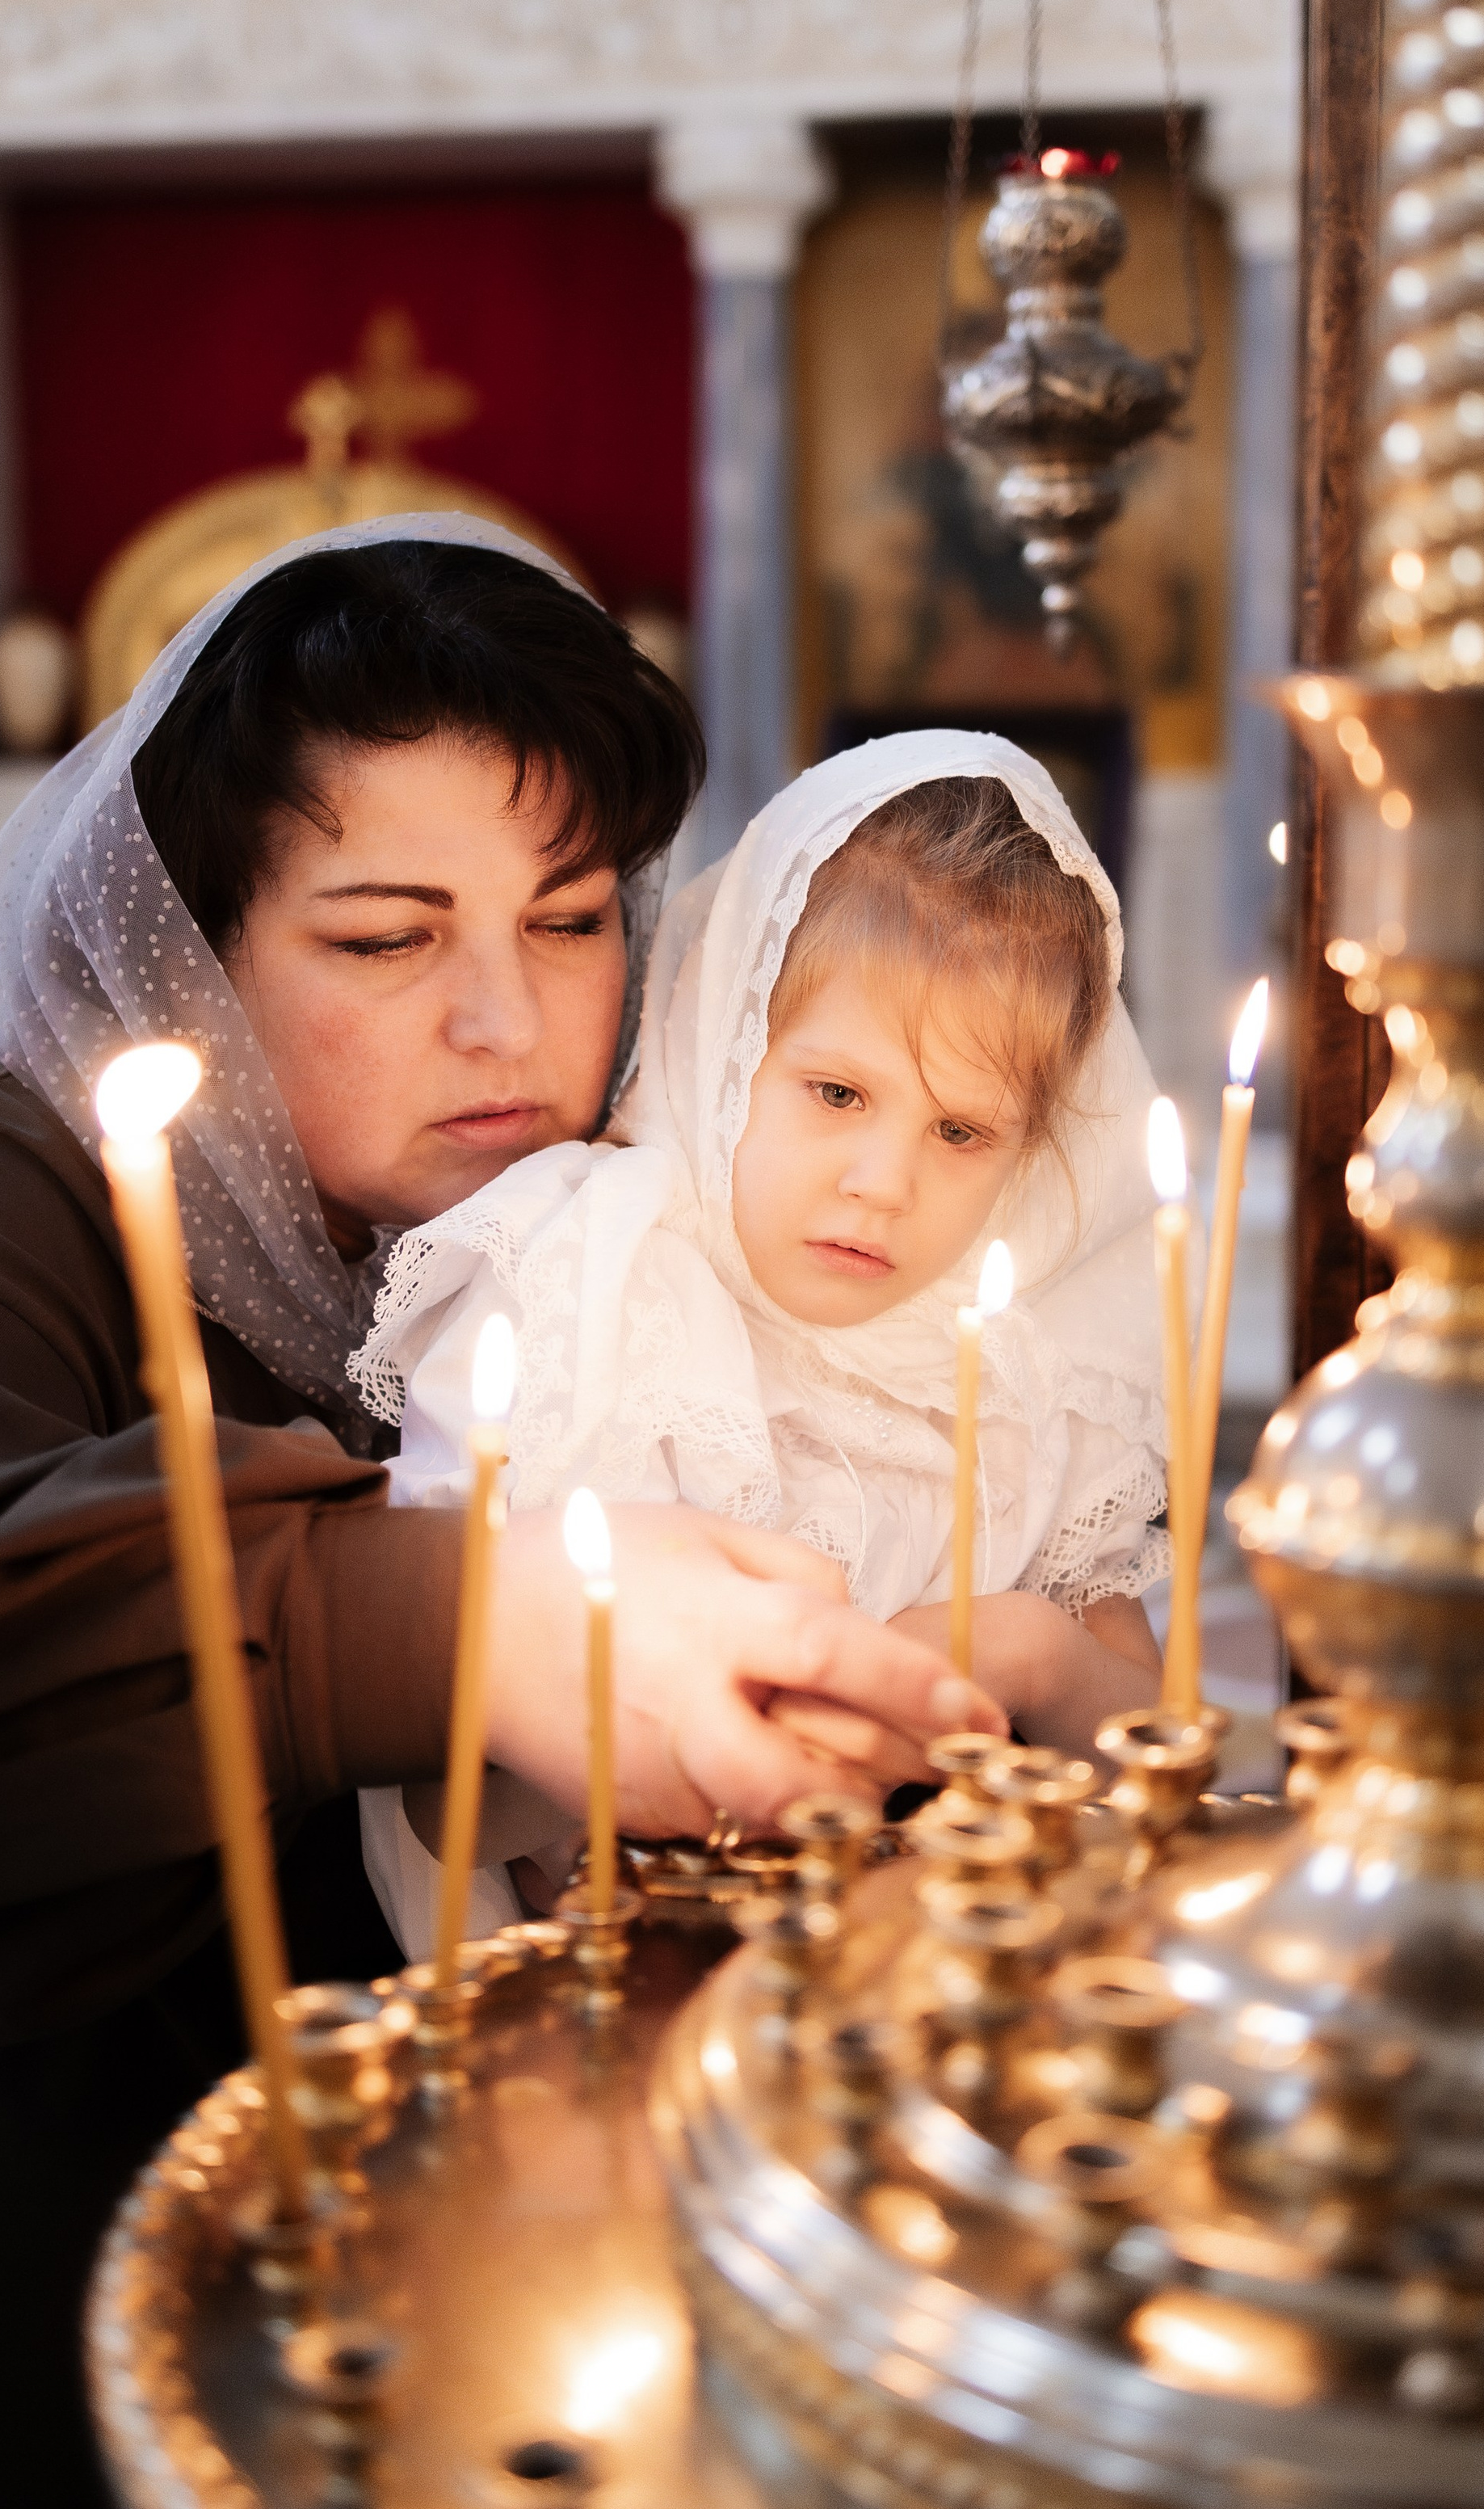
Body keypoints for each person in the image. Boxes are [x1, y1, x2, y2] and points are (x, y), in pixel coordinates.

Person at [0, 515, 998, 2509]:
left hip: (466, 2346)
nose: (508, 1023)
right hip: (34, 2382)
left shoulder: (608, 1211)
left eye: (575, 916)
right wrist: (466, 1614)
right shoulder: (7, 1168)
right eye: (382, 937)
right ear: (192, 948)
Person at [353, 732, 1170, 1955]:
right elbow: (437, 1767)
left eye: (962, 1131)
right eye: (836, 1095)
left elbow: (1156, 1757)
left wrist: (1030, 1654)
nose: (883, 1183)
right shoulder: (583, 1282)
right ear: (724, 1040)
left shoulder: (1027, 1367)